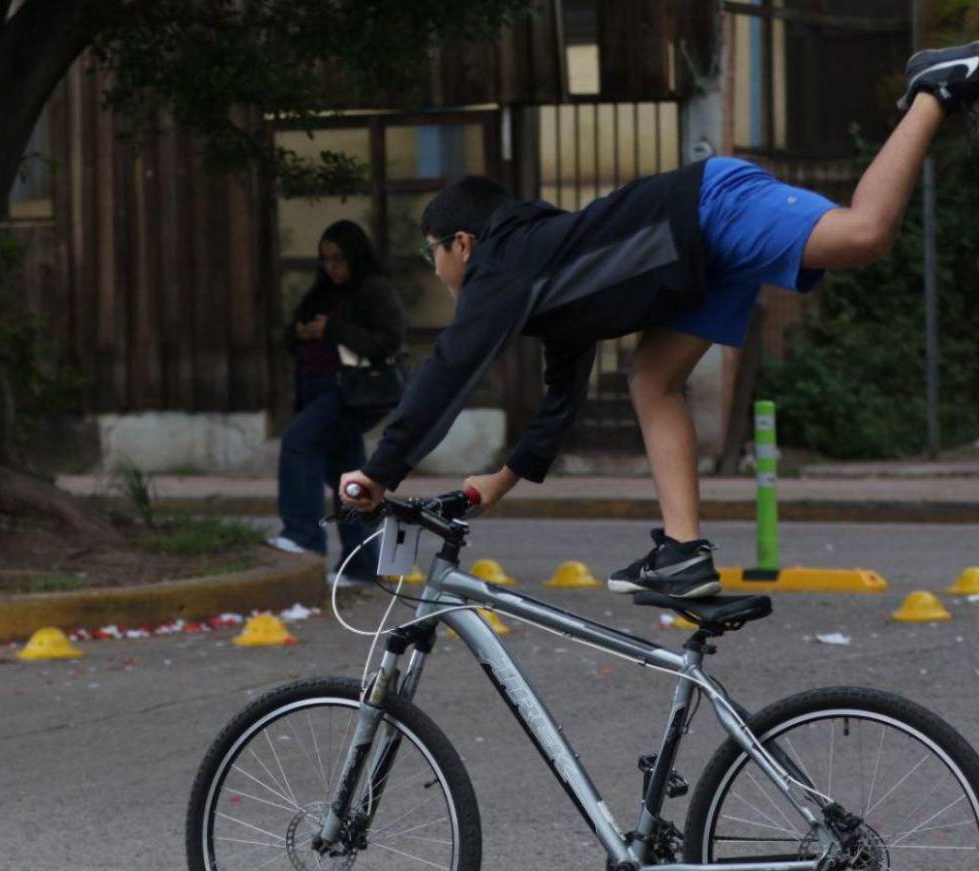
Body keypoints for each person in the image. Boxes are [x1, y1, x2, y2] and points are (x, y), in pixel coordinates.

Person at [338, 41, 979, 597]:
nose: (435, 269)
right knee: (653, 382)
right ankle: (682, 554)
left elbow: (453, 365)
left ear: (462, 243)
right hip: (696, 256)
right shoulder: (544, 275)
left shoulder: (503, 267)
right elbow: (563, 395)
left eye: (431, 254)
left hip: (707, 208)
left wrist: (380, 468)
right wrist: (499, 482)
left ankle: (933, 87)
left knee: (862, 234)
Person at [267, 220, 406, 587]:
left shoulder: (373, 290)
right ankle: (360, 566)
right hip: (316, 389)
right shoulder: (323, 290)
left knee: (299, 443)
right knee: (350, 480)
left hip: (349, 393)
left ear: (355, 256)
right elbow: (294, 332)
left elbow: (388, 342)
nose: (332, 267)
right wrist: (300, 332)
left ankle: (302, 536)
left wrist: (332, 329)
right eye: (326, 260)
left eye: (339, 259)